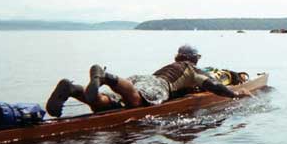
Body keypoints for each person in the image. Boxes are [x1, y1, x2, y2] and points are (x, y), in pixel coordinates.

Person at [46, 45, 252, 117]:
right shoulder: (191, 70)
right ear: (194, 58)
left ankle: (73, 89)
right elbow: (213, 86)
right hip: (156, 85)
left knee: (105, 105)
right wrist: (235, 94)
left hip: (139, 78)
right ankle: (105, 76)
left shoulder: (167, 66)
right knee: (136, 101)